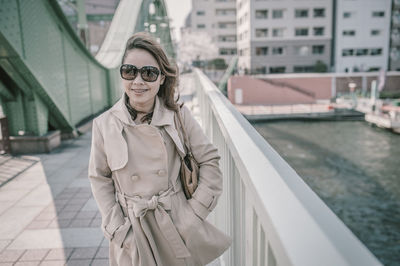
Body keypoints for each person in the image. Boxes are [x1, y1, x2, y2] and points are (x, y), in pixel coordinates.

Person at [88, 32, 231, 266]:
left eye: (149, 73)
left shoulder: (178, 116)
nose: (138, 81)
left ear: (162, 78)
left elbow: (209, 161)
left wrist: (193, 215)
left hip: (176, 227)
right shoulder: (104, 124)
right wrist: (118, 230)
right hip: (132, 230)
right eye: (129, 71)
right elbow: (99, 178)